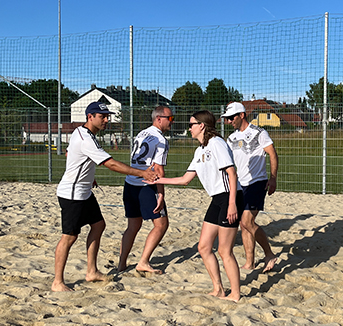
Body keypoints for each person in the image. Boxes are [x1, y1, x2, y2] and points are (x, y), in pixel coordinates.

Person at [52, 102, 158, 292]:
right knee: (69, 237)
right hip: (72, 194)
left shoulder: (82, 132)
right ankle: (57, 282)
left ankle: (91, 271)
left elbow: (72, 153)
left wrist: (89, 177)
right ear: (90, 116)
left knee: (99, 225)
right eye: (103, 116)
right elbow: (111, 164)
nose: (107, 120)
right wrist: (141, 174)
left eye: (107, 116)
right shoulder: (86, 138)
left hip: (84, 192)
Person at [150, 110, 243, 302]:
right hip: (217, 199)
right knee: (204, 247)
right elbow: (185, 179)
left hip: (229, 198)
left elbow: (232, 174)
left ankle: (236, 294)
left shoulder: (217, 143)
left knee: (225, 251)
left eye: (191, 124)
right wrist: (159, 180)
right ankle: (218, 289)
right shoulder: (200, 150)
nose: (189, 128)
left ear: (201, 125)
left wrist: (232, 204)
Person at [222, 102, 278, 272]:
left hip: (257, 182)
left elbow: (273, 154)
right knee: (243, 224)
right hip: (241, 184)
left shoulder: (259, 133)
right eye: (227, 118)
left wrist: (273, 178)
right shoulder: (231, 139)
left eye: (232, 117)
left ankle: (269, 254)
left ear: (241, 115)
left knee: (247, 221)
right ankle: (250, 262)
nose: (229, 121)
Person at [118, 106, 173, 274]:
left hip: (130, 183)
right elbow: (159, 171)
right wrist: (161, 194)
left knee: (133, 225)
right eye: (169, 119)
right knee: (162, 224)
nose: (172, 122)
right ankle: (143, 261)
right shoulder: (160, 139)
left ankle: (121, 264)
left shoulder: (142, 133)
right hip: (146, 185)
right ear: (159, 119)